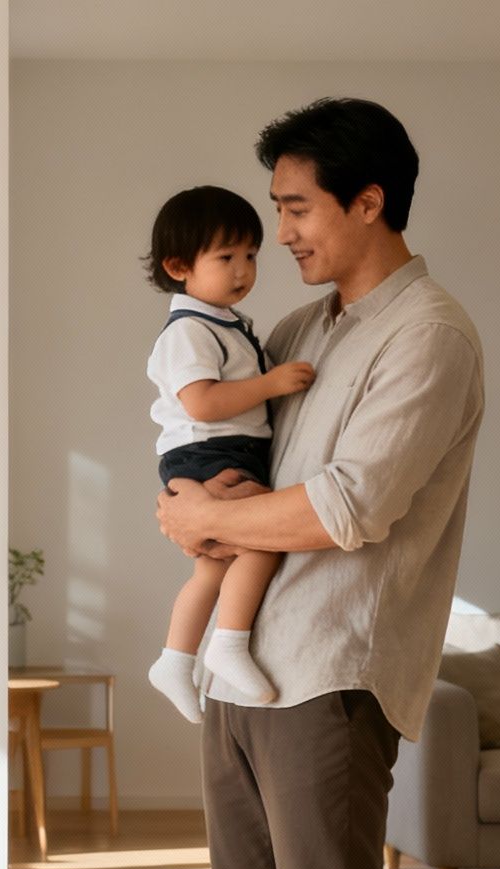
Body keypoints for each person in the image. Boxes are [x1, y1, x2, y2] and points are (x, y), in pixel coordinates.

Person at [155, 97, 484, 869]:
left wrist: (209, 515)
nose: (280, 234)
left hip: (331, 681)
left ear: (368, 200)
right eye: (275, 211)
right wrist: (199, 513)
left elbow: (343, 508)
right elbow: (216, 458)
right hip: (241, 672)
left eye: (295, 209)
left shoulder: (429, 336)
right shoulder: (298, 332)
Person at [142, 185, 316, 722]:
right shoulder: (189, 330)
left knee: (214, 570)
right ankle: (228, 642)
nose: (243, 270)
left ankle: (175, 658)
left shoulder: (222, 322)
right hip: (208, 450)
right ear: (179, 266)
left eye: (251, 256)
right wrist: (270, 384)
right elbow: (203, 401)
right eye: (226, 258)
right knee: (261, 542)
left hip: (214, 450)